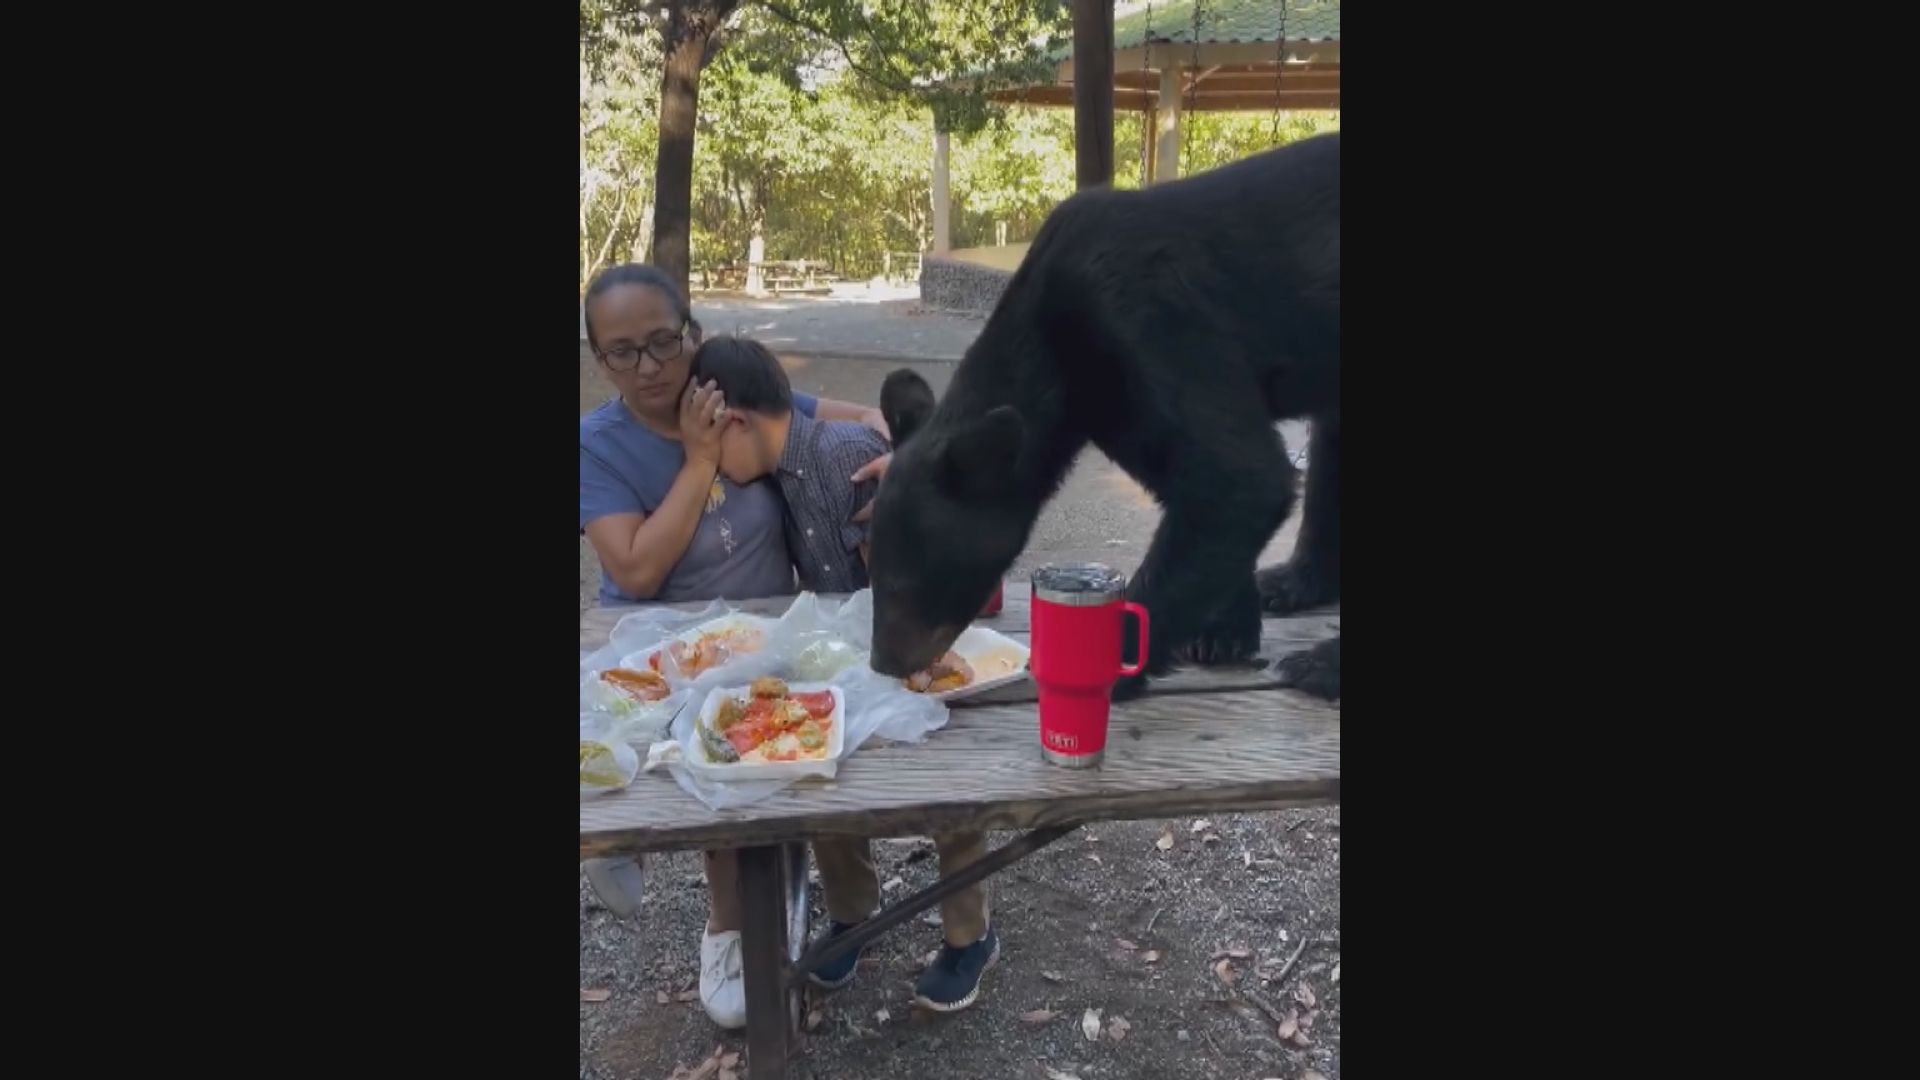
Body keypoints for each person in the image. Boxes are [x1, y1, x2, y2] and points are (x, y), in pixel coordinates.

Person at [578, 264, 889, 1029]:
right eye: (623, 352)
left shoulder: (723, 390)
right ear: (597, 360)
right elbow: (638, 567)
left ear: (695, 334)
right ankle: (719, 919)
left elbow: (858, 421)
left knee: (765, 754)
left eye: (662, 341)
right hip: (654, 644)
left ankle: (766, 899)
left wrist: (911, 451)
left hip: (761, 637)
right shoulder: (597, 446)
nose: (650, 367)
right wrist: (699, 460)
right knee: (654, 748)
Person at [691, 336, 1001, 1013]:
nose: (710, 461)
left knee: (947, 794)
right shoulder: (789, 470)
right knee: (820, 772)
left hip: (920, 652)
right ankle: (853, 915)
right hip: (860, 660)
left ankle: (968, 935)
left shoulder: (842, 463)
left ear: (736, 422)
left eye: (711, 441)